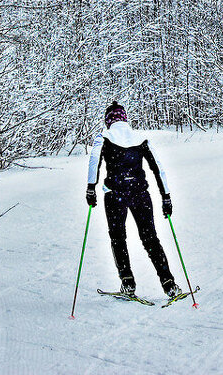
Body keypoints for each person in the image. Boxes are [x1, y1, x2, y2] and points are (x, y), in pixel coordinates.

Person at [86, 100, 181, 299]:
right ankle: (169, 284)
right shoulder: (140, 138)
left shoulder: (104, 137)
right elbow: (158, 168)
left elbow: (94, 159)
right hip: (140, 194)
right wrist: (166, 197)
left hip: (115, 195)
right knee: (150, 239)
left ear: (108, 120)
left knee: (118, 238)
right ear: (125, 118)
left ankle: (127, 282)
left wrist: (90, 188)